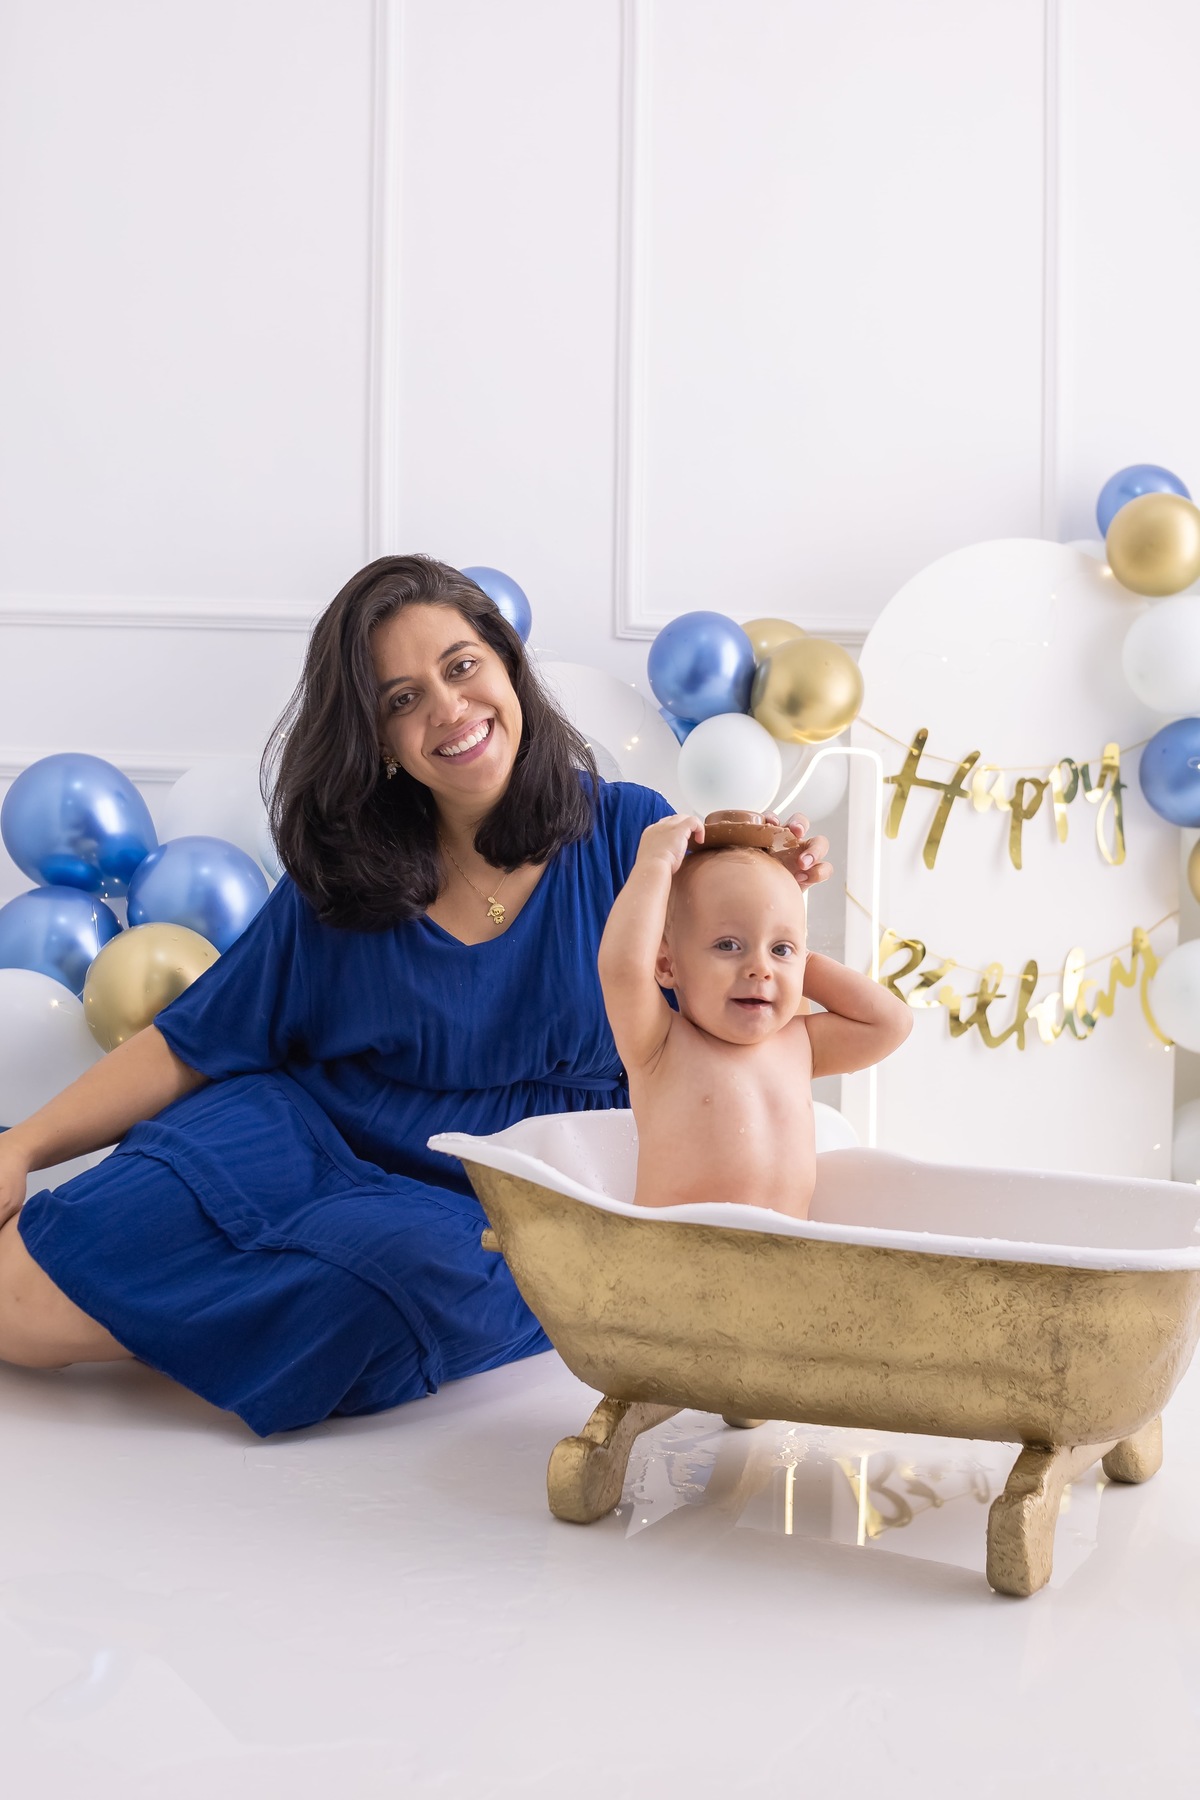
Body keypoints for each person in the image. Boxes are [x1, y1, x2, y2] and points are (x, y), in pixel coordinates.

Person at [0, 556, 832, 1435]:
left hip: (514, 1203)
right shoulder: (347, 871)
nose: (447, 710)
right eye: (402, 699)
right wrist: (22, 1147)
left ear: (508, 667)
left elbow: (745, 962)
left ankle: (204, 1325)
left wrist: (776, 873)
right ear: (378, 738)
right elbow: (193, 1039)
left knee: (371, 1295)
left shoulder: (629, 831)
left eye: (462, 666)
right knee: (20, 1297)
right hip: (300, 1136)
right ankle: (207, 1317)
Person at [598, 812, 911, 1219]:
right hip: (676, 1264)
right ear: (667, 963)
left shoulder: (801, 1045)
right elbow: (623, 970)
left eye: (779, 950)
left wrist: (795, 957)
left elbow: (891, 1022)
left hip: (779, 1269)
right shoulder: (660, 1046)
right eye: (728, 945)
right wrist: (654, 865)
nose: (760, 968)